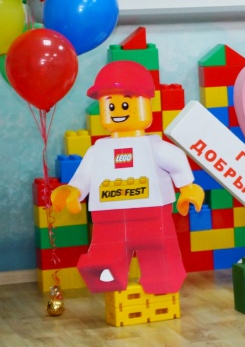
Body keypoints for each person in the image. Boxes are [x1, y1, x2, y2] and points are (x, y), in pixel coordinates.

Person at [50, 61, 205, 294]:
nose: (118, 111)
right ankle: (109, 281)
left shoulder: (153, 146)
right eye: (110, 105)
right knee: (105, 257)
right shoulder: (99, 150)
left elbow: (176, 160)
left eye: (125, 104)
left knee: (158, 254)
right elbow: (84, 176)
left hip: (151, 215)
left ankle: (161, 284)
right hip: (107, 218)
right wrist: (73, 190)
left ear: (145, 104)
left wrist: (187, 187)